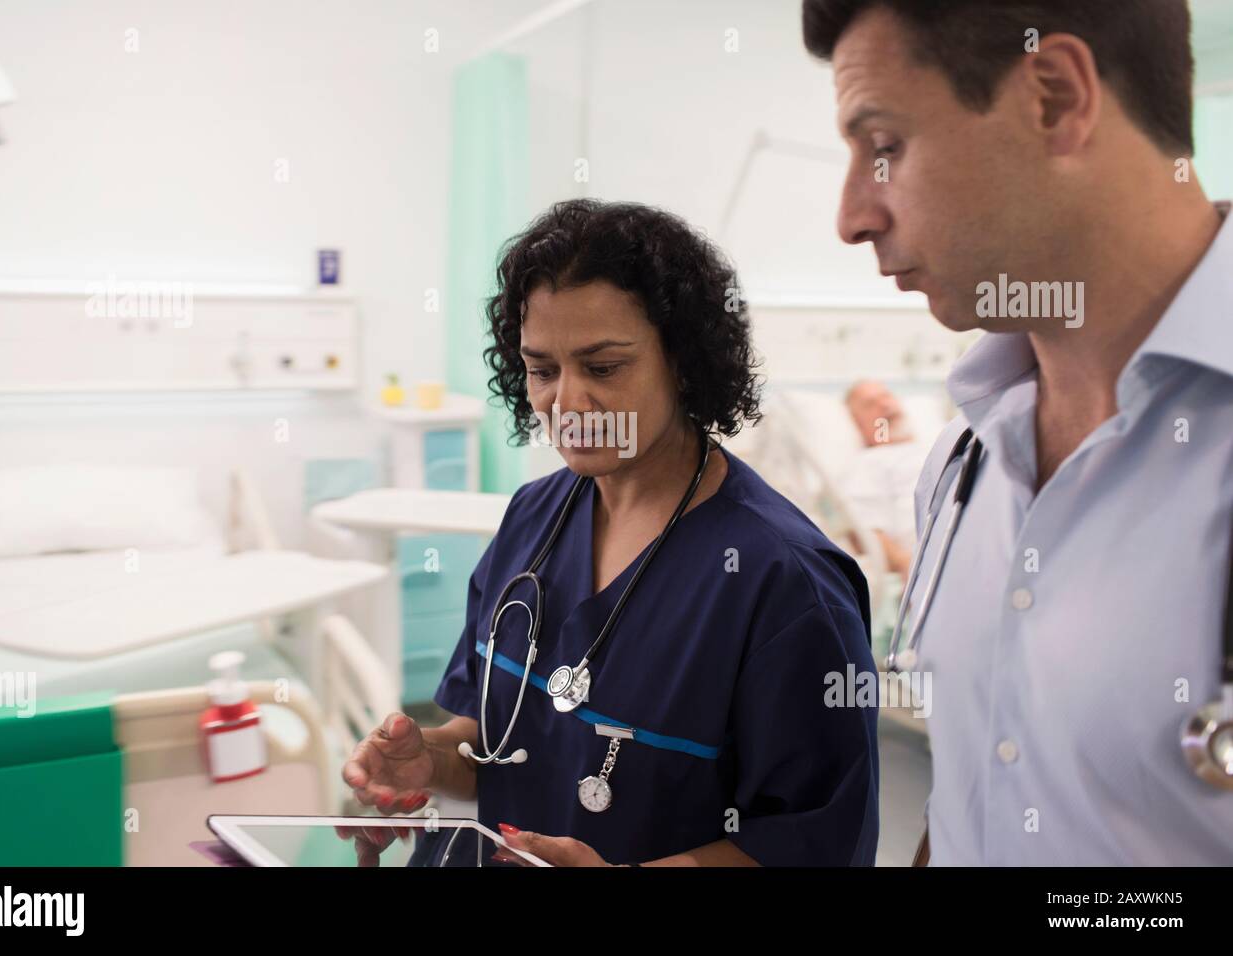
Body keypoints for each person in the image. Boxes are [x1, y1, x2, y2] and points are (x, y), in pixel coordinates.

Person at [803, 0, 1233, 864]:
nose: (851, 216)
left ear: (1055, 97)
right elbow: (975, 793)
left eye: (884, 146)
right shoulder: (962, 467)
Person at [341, 199, 880, 866]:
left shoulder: (785, 584)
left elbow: (812, 848)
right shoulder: (531, 522)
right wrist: (426, 761)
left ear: (683, 362)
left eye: (602, 368)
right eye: (542, 370)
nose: (566, 403)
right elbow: (483, 744)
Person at [840, 379, 929, 575]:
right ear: (857, 423)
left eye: (887, 396)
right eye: (870, 404)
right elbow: (866, 529)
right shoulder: (869, 463)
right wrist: (906, 564)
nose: (885, 405)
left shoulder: (937, 444)